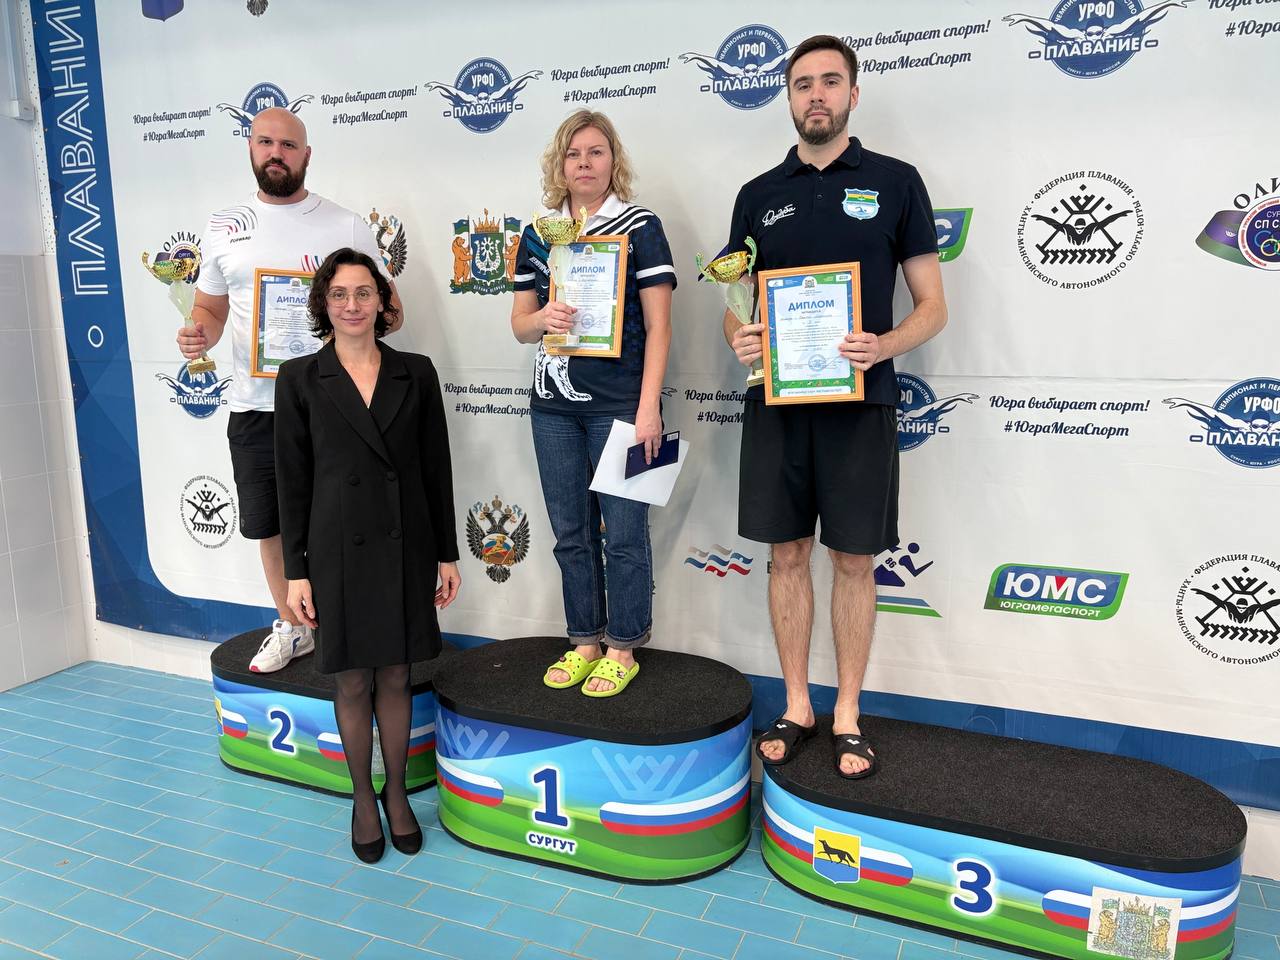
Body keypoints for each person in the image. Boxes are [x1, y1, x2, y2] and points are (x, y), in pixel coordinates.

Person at [724, 36, 947, 778]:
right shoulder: (758, 194)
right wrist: (740, 337)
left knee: (853, 560)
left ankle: (847, 710)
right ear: (788, 97)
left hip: (861, 403)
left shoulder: (896, 182)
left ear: (853, 94)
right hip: (777, 403)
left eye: (829, 82)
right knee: (785, 556)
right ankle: (797, 705)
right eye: (802, 84)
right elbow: (735, 303)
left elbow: (933, 306)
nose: (815, 95)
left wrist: (883, 347)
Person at [177, 107, 401, 674]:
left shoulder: (346, 226)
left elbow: (392, 310)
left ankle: (349, 622)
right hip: (256, 406)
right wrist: (198, 331)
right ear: (251, 149)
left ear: (306, 155)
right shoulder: (224, 226)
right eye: (265, 142)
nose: (276, 153)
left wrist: (361, 316)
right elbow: (210, 309)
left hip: (336, 405)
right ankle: (294, 626)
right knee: (270, 524)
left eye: (288, 144)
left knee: (344, 517)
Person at [274, 247, 460, 862]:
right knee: (352, 678)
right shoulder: (299, 377)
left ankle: (396, 793)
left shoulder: (416, 371)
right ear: (323, 304)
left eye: (362, 293)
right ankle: (362, 797)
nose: (351, 305)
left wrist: (447, 554)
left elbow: (435, 468)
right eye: (339, 294)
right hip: (336, 550)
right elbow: (292, 482)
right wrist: (296, 570)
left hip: (404, 543)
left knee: (398, 674)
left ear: (381, 301)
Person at [510, 110, 676, 697]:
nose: (584, 162)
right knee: (570, 532)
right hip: (552, 408)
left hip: (622, 406)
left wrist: (649, 408)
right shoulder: (538, 232)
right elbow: (520, 326)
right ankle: (584, 639)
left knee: (625, 533)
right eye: (573, 153)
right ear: (559, 164)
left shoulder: (640, 225)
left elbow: (659, 328)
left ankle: (623, 646)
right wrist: (542, 318)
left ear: (613, 160)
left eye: (596, 151)